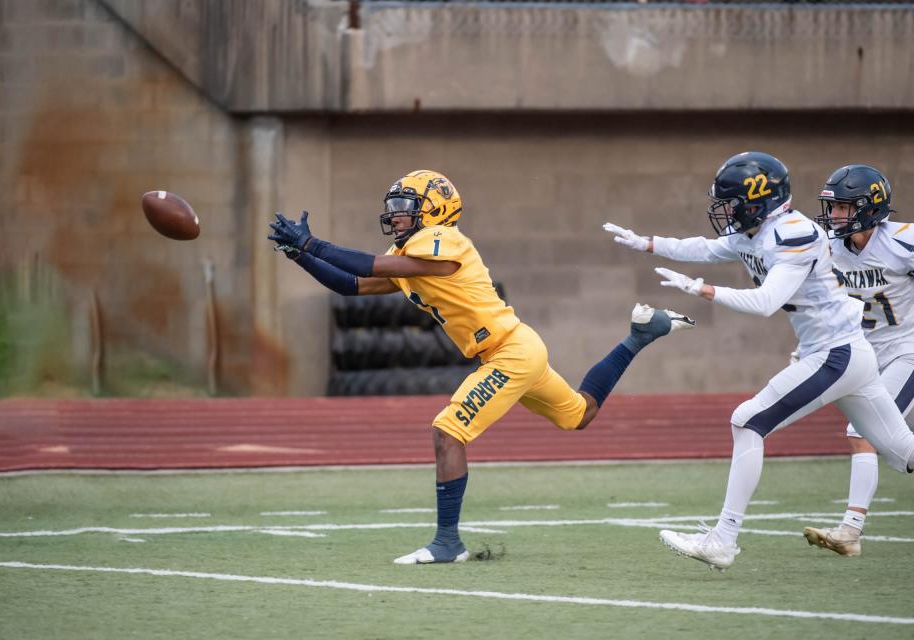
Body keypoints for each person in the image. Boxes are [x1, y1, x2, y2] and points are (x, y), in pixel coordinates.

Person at [269, 169, 695, 565]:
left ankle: (448, 543)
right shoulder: (413, 254)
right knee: (580, 415)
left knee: (448, 431)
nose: (396, 216)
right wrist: (299, 255)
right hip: (514, 350)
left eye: (405, 206)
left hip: (510, 352)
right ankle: (639, 335)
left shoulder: (444, 242)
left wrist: (312, 244)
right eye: (395, 207)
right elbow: (353, 284)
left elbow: (366, 265)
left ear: (435, 209)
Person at [604, 151, 914, 571]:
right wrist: (648, 243)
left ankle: (723, 539)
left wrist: (703, 291)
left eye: (733, 203)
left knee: (747, 420)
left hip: (837, 352)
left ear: (757, 200)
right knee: (901, 452)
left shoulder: (793, 233)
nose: (728, 212)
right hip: (849, 350)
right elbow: (707, 247)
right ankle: (725, 539)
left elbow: (768, 302)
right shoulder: (758, 231)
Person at [801, 165, 914, 556]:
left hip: (907, 350)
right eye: (832, 208)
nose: (834, 217)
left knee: (861, 432)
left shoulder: (903, 242)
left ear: (869, 208)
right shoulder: (829, 250)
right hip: (865, 355)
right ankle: (850, 533)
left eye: (844, 208)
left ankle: (850, 531)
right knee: (893, 446)